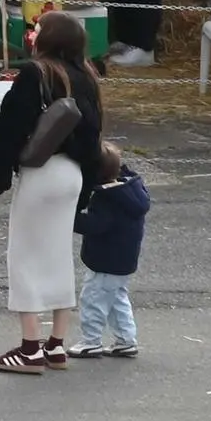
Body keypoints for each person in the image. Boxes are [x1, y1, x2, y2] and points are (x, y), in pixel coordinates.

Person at [0, 12, 104, 373]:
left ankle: (30, 346)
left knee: (25, 256)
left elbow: (11, 127)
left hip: (43, 172)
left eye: (38, 30)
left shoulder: (37, 74)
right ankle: (56, 344)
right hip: (74, 174)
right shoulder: (87, 76)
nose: (32, 34)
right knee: (58, 254)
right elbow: (94, 138)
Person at [70, 140, 147, 361]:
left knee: (93, 299)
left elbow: (94, 225)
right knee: (116, 299)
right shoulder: (130, 191)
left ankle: (91, 341)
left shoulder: (107, 199)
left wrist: (70, 217)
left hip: (105, 261)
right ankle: (126, 340)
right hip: (122, 261)